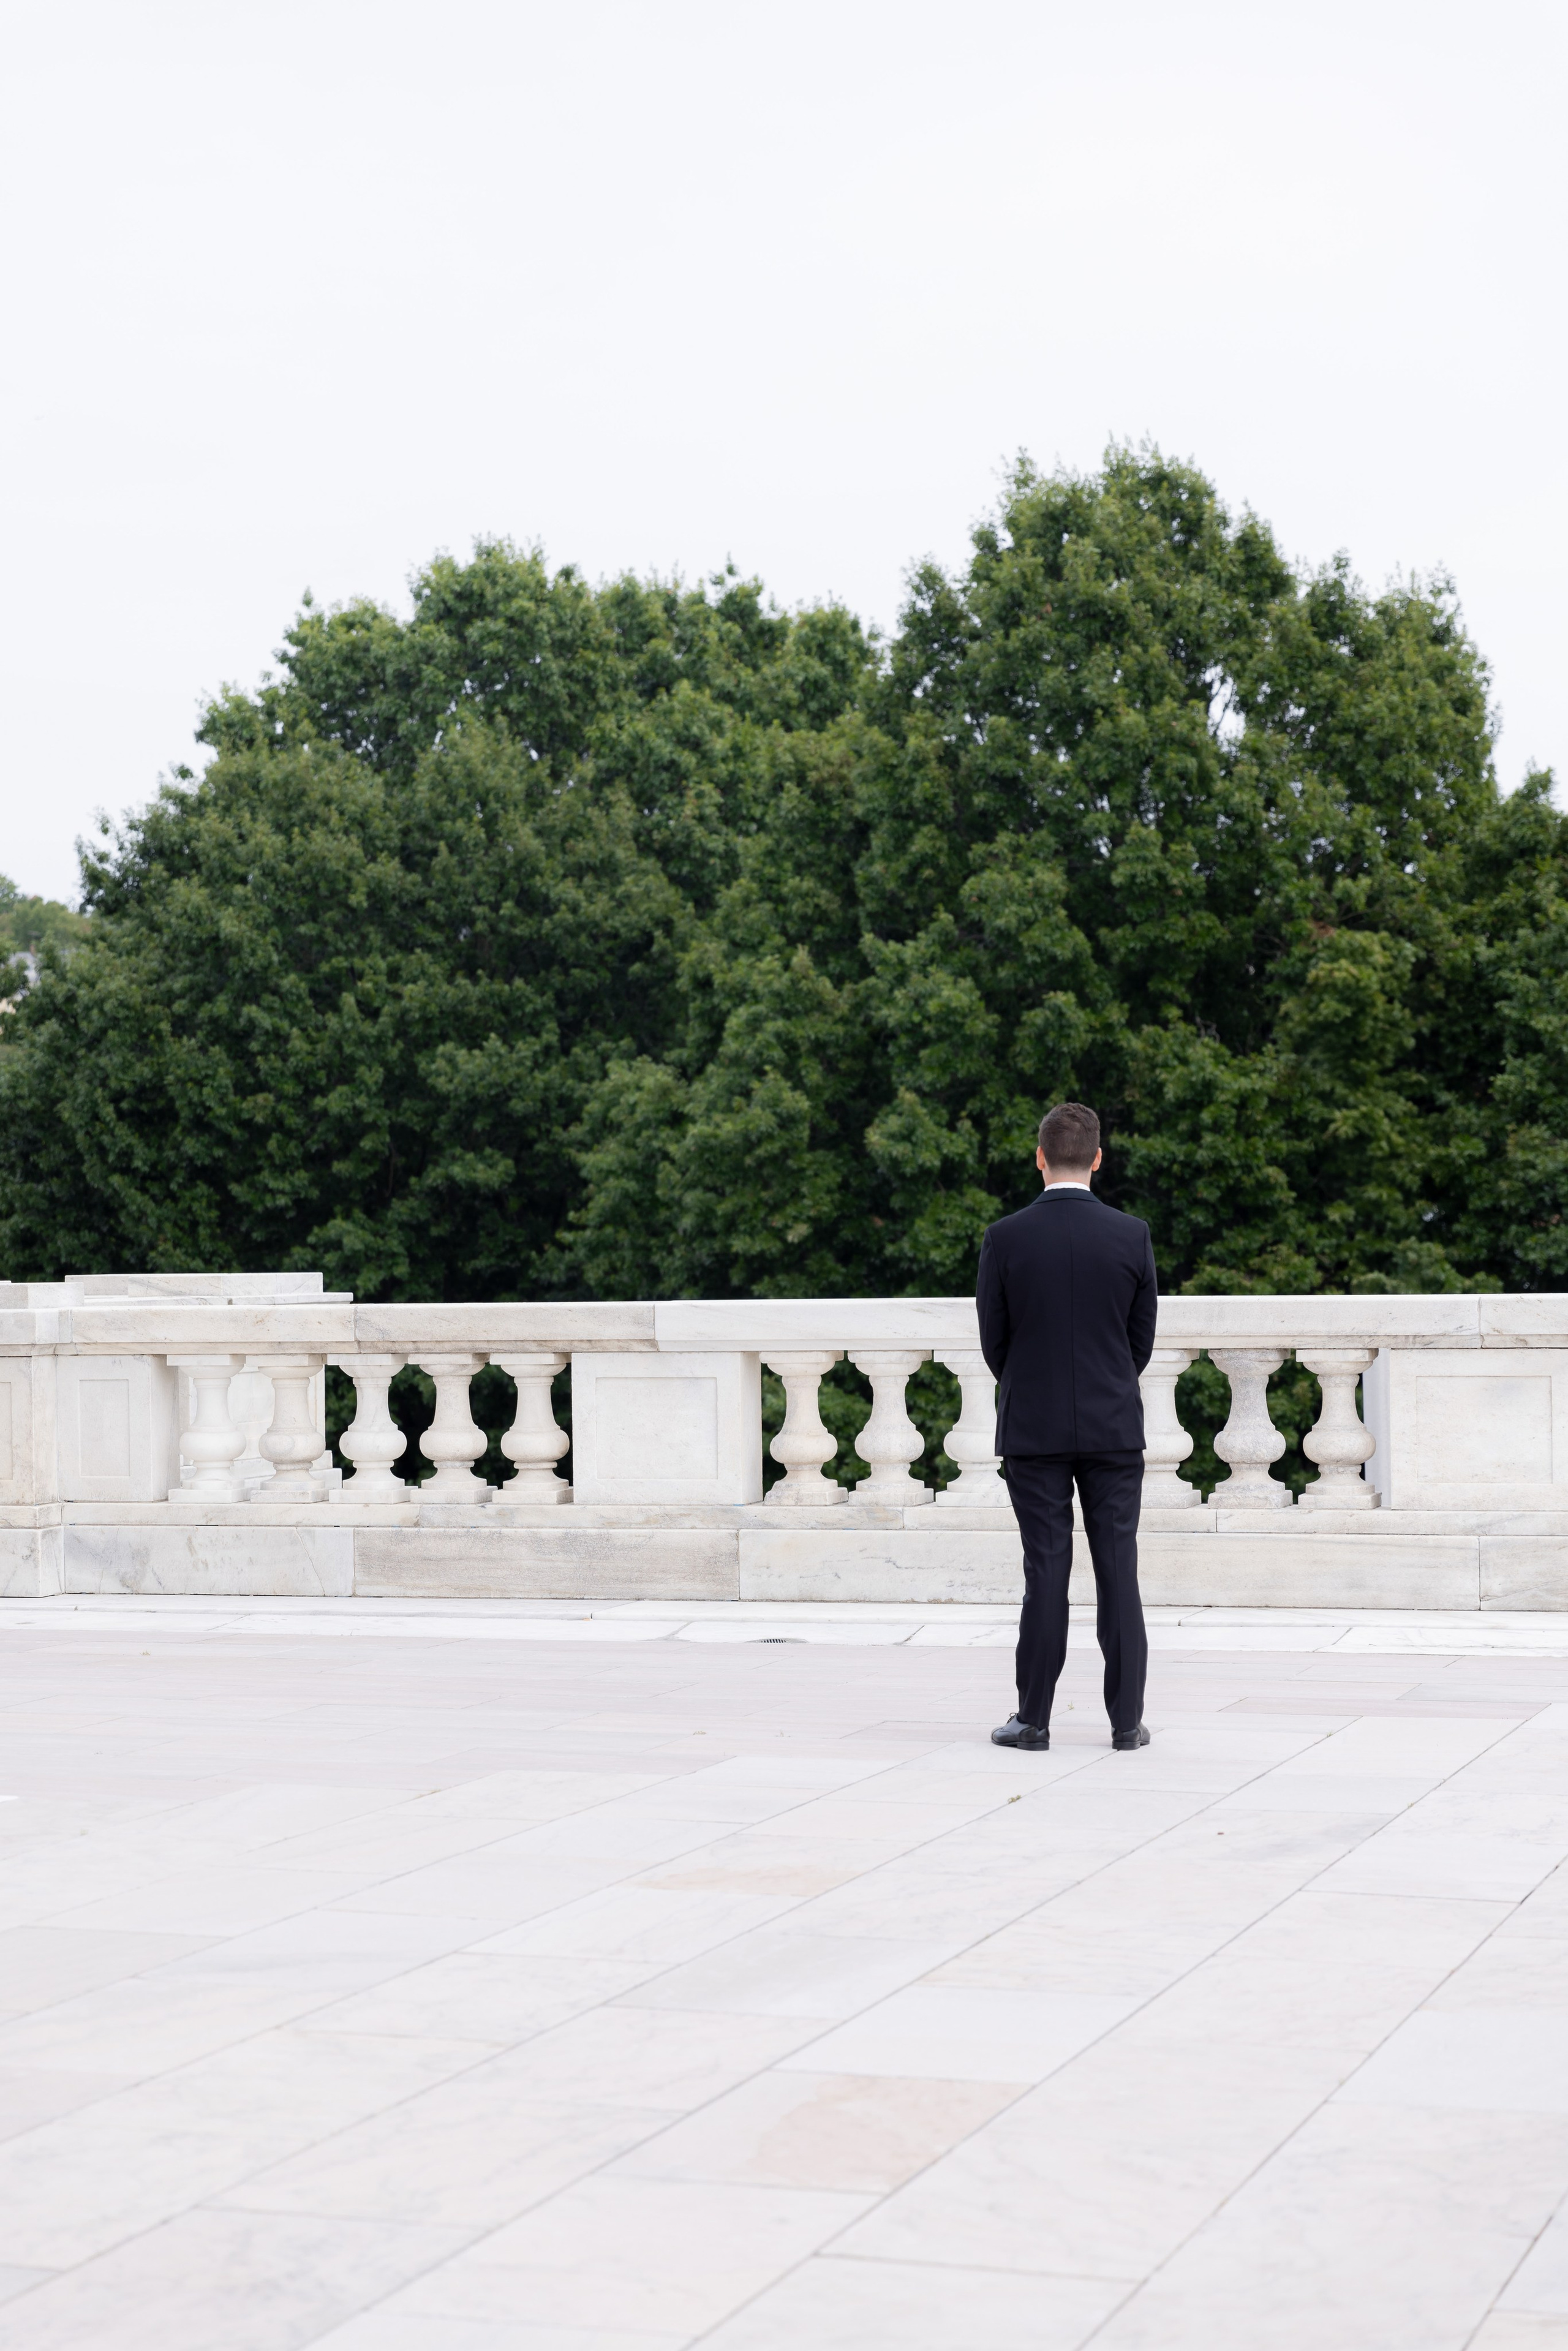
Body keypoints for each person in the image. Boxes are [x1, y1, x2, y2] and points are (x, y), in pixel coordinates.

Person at [976, 1101, 1158, 1753]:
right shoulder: (1132, 1235)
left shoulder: (1005, 1237)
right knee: (1118, 1570)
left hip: (1035, 1426)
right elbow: (1139, 1342)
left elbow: (995, 1343)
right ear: (1098, 1159)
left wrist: (1035, 1388)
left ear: (1040, 1157)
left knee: (1046, 1571)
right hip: (1113, 1426)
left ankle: (1034, 1720)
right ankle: (1126, 1723)